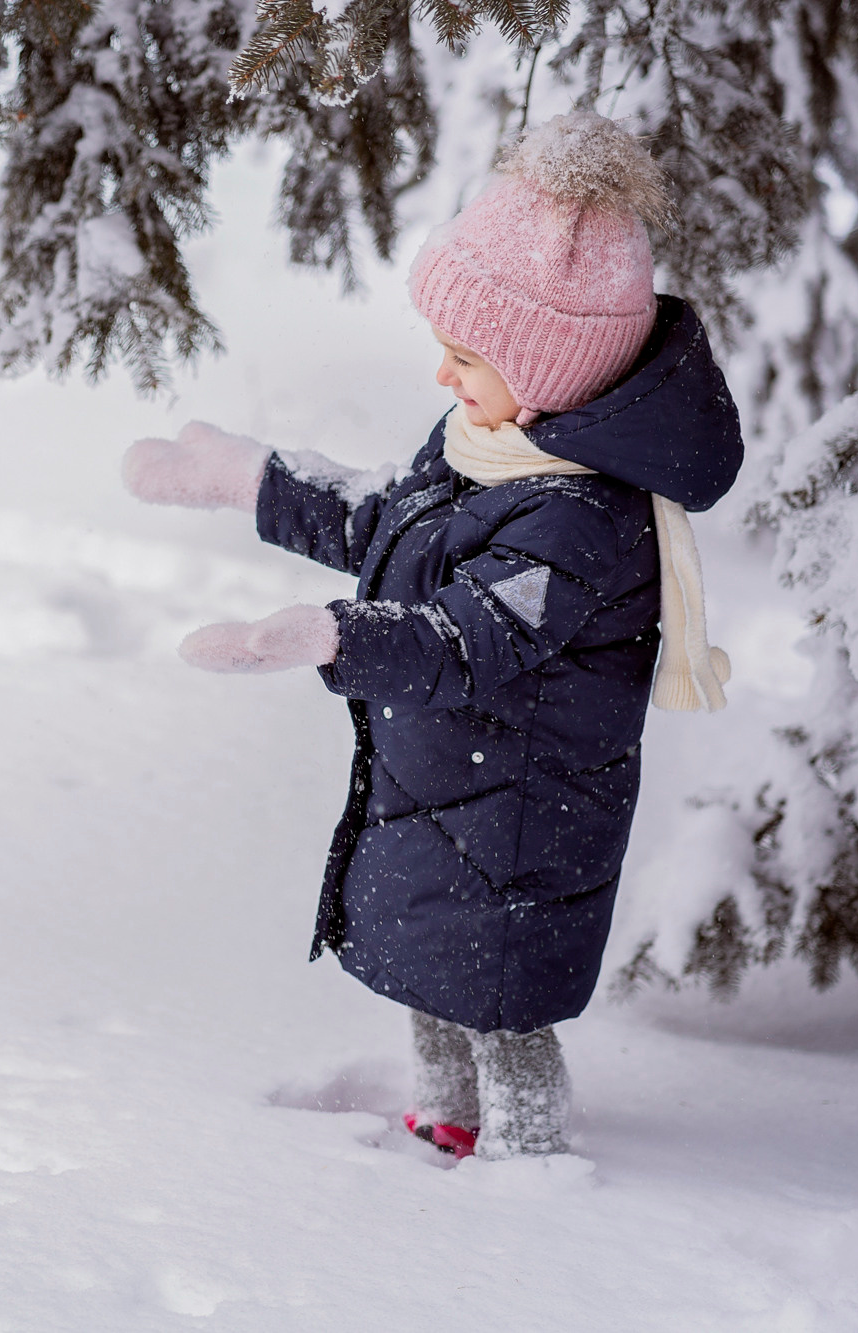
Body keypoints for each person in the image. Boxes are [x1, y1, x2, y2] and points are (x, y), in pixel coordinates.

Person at [122, 110, 744, 1161]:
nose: (443, 378)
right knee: (427, 969)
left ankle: (529, 1164)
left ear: (548, 372)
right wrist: (255, 481)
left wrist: (332, 636)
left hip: (518, 817)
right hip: (445, 787)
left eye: (464, 355)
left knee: (501, 1006)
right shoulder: (484, 444)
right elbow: (391, 527)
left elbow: (462, 638)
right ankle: (440, 1119)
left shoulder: (576, 521)